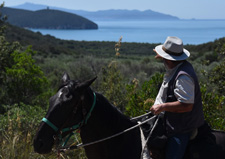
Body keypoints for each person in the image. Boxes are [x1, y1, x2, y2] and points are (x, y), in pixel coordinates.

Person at [150, 36, 205, 159]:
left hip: (182, 128)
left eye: (164, 58)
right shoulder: (177, 67)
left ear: (169, 60)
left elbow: (187, 105)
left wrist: (162, 107)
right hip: (171, 124)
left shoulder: (183, 77)